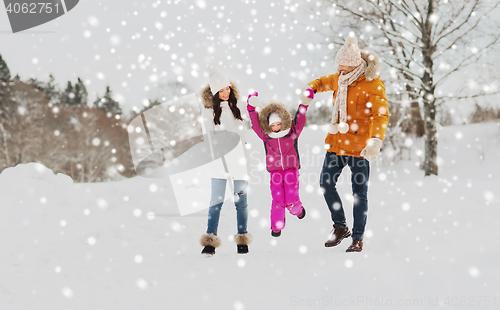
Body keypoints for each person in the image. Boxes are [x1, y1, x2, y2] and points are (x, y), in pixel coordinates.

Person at [306, 34, 389, 252]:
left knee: (359, 193)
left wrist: (376, 140)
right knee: (326, 184)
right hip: (336, 145)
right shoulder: (340, 78)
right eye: (338, 68)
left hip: (360, 149)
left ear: (354, 66)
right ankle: (340, 227)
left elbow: (381, 115)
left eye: (343, 69)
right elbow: (323, 81)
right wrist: (310, 89)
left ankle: (358, 238)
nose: (339, 72)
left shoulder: (373, 84)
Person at [199, 69, 252, 255]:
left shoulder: (237, 107)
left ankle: (242, 238)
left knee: (241, 201)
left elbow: (242, 132)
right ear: (215, 93)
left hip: (238, 160)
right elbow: (208, 137)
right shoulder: (209, 111)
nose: (225, 93)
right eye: (221, 91)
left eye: (227, 88)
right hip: (219, 161)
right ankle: (210, 241)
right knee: (216, 201)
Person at [246, 89, 313, 237]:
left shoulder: (292, 133)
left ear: (283, 123)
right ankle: (277, 225)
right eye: (273, 126)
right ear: (269, 126)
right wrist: (251, 107)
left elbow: (300, 118)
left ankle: (298, 210)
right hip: (275, 172)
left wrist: (304, 103)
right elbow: (255, 123)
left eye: (278, 124)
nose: (276, 128)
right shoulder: (266, 137)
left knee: (290, 198)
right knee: (277, 199)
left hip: (291, 170)